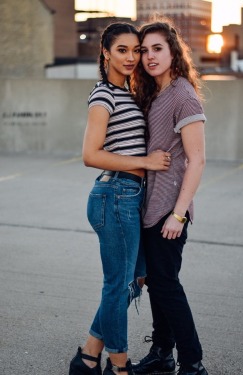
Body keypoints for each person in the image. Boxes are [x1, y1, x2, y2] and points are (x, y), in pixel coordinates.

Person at [68, 22, 171, 375]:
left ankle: (88, 355)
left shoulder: (128, 93)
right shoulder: (103, 95)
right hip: (114, 194)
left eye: (136, 50)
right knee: (117, 284)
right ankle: (119, 365)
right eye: (123, 50)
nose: (131, 57)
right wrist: (144, 161)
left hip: (130, 196)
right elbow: (90, 154)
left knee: (137, 278)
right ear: (106, 53)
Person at [132, 18, 208, 375]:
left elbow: (197, 159)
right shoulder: (155, 94)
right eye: (144, 50)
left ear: (173, 51)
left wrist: (178, 214)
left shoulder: (182, 94)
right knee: (157, 287)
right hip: (151, 209)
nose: (149, 56)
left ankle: (193, 363)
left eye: (157, 48)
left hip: (169, 213)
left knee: (167, 287)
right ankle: (162, 352)